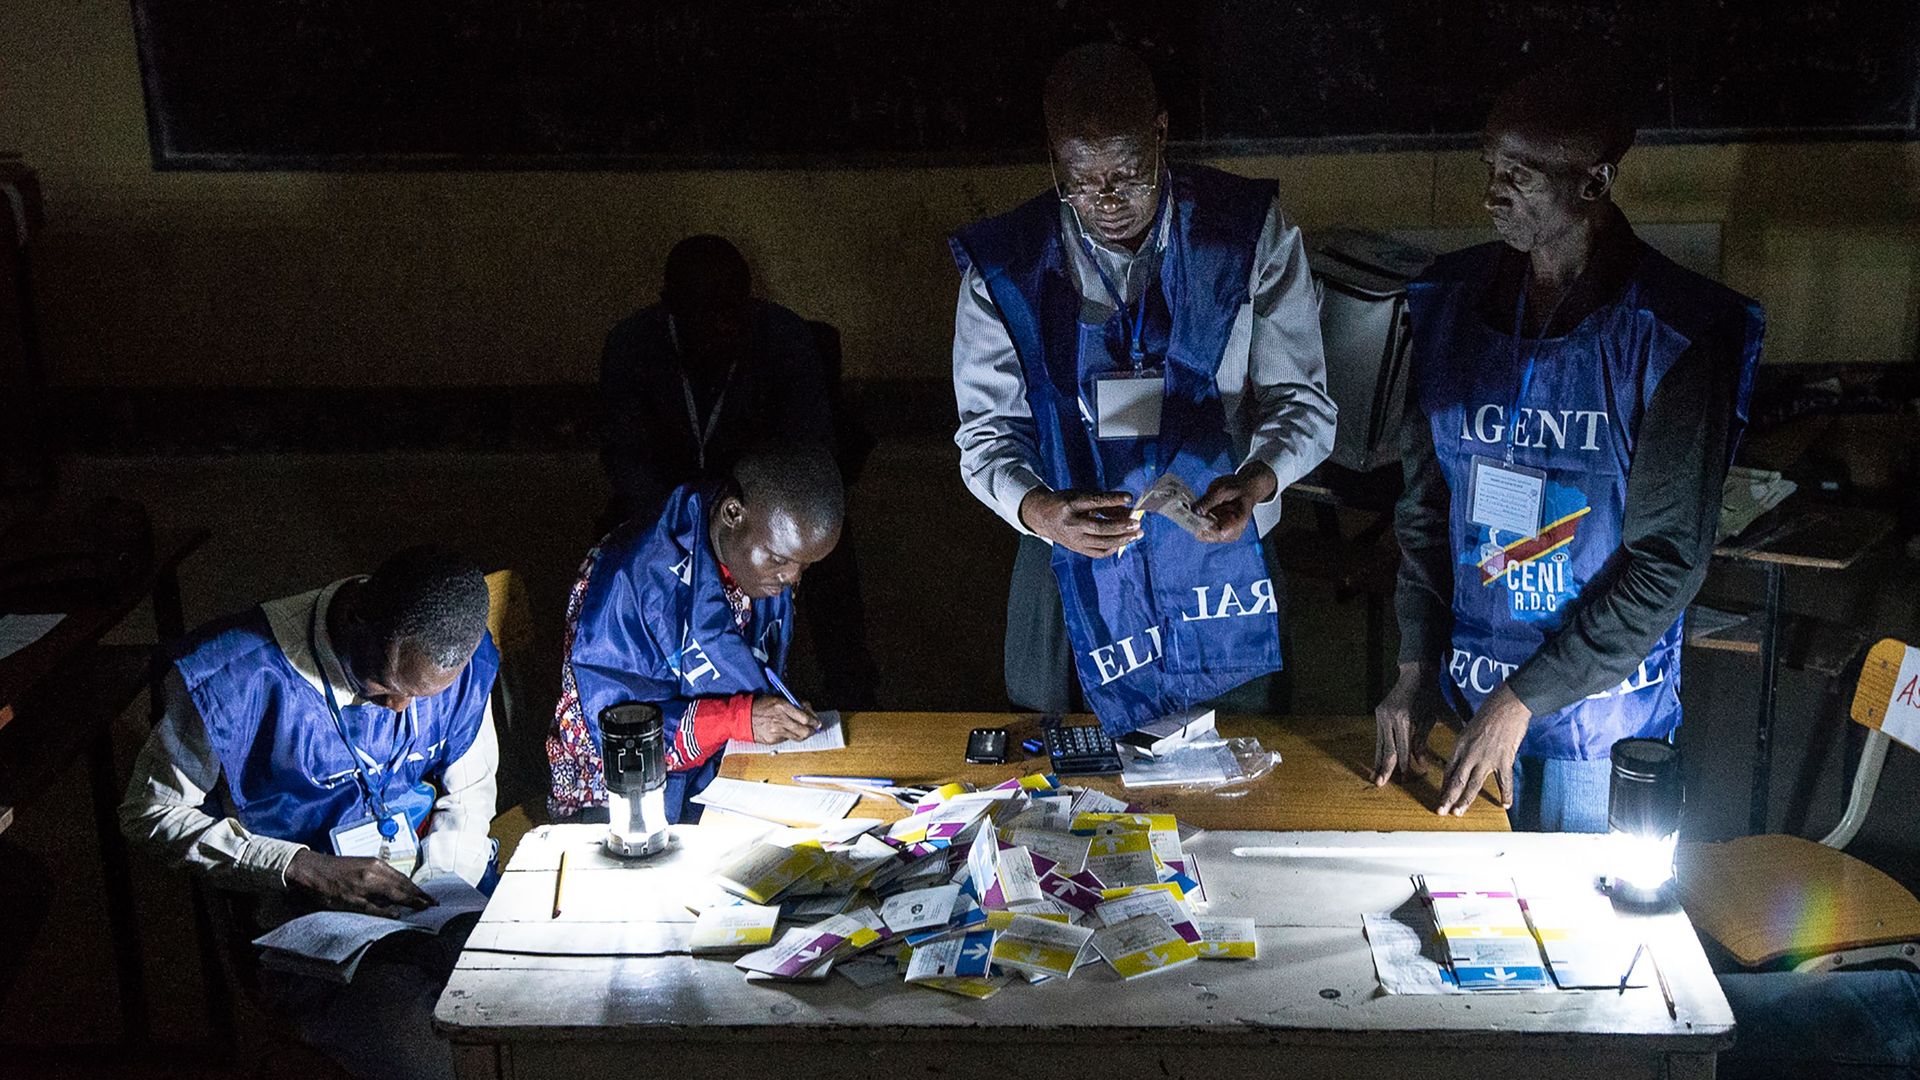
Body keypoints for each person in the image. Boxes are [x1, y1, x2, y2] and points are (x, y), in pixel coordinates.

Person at [1373, 67, 1765, 829]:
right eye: (1489, 167)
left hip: (1595, 722)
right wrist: (1416, 664)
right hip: (1466, 696)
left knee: (1580, 930)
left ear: (1595, 183)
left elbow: (1667, 563)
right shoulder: (1451, 305)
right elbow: (1426, 506)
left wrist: (1523, 700)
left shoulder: (1674, 334)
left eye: (1518, 175)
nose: (1492, 192)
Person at [951, 42, 1335, 731]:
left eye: (1127, 174)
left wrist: (1256, 482)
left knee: (1238, 763)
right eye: (1080, 178)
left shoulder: (1243, 233)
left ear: (1161, 134)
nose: (1105, 202)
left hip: (1221, 547)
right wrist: (1038, 511)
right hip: (1073, 556)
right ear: (1052, 157)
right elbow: (986, 436)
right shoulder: (1007, 265)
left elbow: (1303, 404)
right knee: (1075, 774)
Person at [121, 546, 500, 1080]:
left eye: (421, 695)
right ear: (354, 619)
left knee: (534, 1013)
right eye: (385, 689)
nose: (400, 710)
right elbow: (148, 812)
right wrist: (300, 866)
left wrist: (440, 890)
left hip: (433, 895)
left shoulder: (456, 649)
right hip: (311, 926)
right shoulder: (238, 677)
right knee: (438, 1062)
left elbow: (471, 790)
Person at [597, 233, 878, 705]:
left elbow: (811, 451)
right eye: (702, 311)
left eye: (731, 309)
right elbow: (625, 458)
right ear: (670, 307)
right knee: (621, 560)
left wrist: (753, 515)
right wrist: (690, 526)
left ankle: (853, 697)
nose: (720, 326)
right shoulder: (632, 346)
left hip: (762, 504)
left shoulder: (785, 338)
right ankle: (666, 696)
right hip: (666, 506)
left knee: (819, 551)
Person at [547, 447, 843, 822]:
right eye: (780, 559)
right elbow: (614, 732)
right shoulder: (631, 577)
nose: (792, 579)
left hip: (726, 768)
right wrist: (738, 719)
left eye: (805, 566)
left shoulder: (752, 557)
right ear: (732, 513)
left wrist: (773, 712)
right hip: (622, 800)